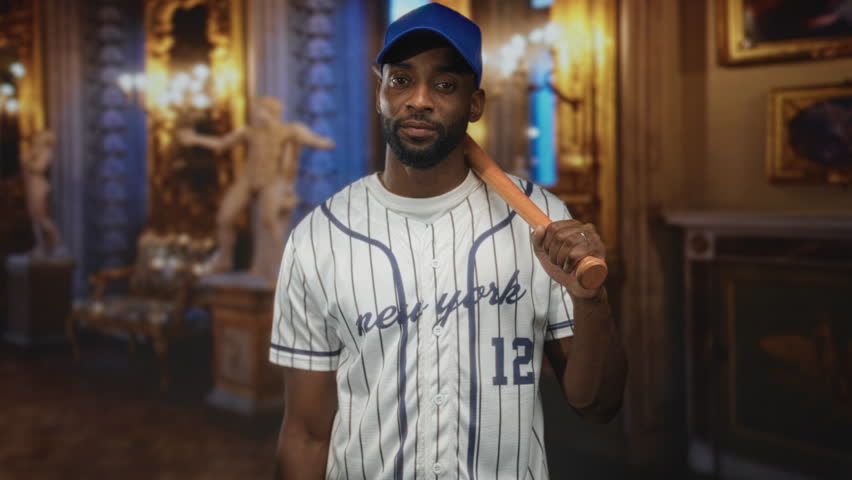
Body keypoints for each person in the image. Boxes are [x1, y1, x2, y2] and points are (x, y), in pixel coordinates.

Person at [270, 4, 627, 479]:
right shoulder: (318, 238)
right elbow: (306, 433)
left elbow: (597, 405)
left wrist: (591, 299)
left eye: (444, 85)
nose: (418, 100)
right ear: (380, 93)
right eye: (401, 80)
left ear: (474, 104)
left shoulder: (540, 222)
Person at [177, 96, 335, 283]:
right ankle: (224, 259)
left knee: (269, 219)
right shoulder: (249, 132)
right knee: (224, 217)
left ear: (272, 112)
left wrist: (323, 143)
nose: (257, 114)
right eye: (256, 110)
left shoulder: (288, 131)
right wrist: (195, 139)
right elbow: (222, 143)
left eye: (260, 110)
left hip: (272, 180)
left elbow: (316, 141)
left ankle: (283, 265)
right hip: (248, 179)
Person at [21, 130, 62, 256]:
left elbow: (39, 168)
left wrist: (29, 162)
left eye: (37, 138)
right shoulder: (37, 152)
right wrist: (31, 155)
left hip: (40, 186)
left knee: (41, 217)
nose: (35, 140)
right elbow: (24, 160)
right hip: (33, 185)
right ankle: (40, 246)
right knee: (35, 218)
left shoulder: (47, 153)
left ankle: (56, 242)